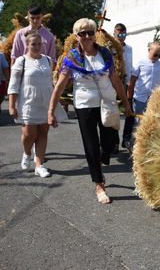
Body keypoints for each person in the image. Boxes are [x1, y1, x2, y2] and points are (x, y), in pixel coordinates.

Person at [48, 18, 132, 204]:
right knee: (91, 146)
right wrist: (51, 110)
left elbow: (115, 79)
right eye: (82, 33)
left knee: (110, 141)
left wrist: (125, 103)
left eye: (90, 32)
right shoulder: (71, 57)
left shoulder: (105, 53)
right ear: (76, 36)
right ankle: (99, 183)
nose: (86, 36)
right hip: (85, 105)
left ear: (95, 34)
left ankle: (102, 157)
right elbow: (60, 85)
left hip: (108, 102)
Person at [8, 32, 60, 177]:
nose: (37, 47)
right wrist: (11, 106)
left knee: (43, 134)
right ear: (27, 45)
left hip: (45, 103)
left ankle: (39, 165)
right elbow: (13, 84)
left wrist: (55, 103)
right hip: (28, 104)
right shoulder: (21, 61)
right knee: (29, 134)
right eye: (33, 44)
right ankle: (26, 152)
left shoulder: (48, 60)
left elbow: (52, 83)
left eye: (39, 44)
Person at [122, 41, 160, 150]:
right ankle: (134, 144)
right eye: (155, 54)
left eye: (159, 55)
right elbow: (132, 80)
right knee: (138, 122)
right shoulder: (141, 63)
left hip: (154, 98)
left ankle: (147, 144)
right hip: (140, 97)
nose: (157, 57)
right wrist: (129, 96)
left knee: (153, 121)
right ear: (149, 50)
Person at [114, 23, 132, 150]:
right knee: (113, 113)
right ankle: (114, 142)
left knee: (128, 110)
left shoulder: (129, 48)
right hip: (113, 83)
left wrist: (130, 83)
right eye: (119, 34)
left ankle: (126, 139)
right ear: (114, 33)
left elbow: (130, 66)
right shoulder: (110, 48)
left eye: (123, 34)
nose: (121, 37)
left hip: (125, 82)